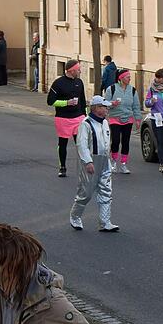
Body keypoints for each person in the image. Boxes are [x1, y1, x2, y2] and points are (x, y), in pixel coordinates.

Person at [69, 95, 119, 232]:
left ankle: (105, 222)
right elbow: (81, 144)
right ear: (96, 108)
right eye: (104, 107)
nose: (107, 109)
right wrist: (88, 161)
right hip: (91, 161)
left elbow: (107, 141)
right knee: (86, 192)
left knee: (106, 190)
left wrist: (109, 158)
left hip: (104, 160)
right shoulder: (86, 124)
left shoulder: (104, 122)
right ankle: (75, 216)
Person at [47, 59, 87, 178]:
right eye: (78, 69)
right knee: (63, 143)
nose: (80, 71)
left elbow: (83, 100)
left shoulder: (79, 82)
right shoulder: (58, 83)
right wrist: (66, 103)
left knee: (80, 143)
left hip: (78, 117)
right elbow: (50, 101)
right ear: (71, 70)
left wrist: (85, 115)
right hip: (63, 118)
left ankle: (83, 165)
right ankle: (62, 167)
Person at [104, 69, 142, 174]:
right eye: (127, 77)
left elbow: (136, 106)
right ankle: (113, 162)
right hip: (114, 118)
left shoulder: (133, 90)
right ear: (120, 78)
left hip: (128, 119)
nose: (130, 79)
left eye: (129, 77)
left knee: (126, 142)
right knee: (115, 140)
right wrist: (112, 103)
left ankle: (124, 164)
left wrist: (138, 119)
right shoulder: (111, 89)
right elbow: (105, 103)